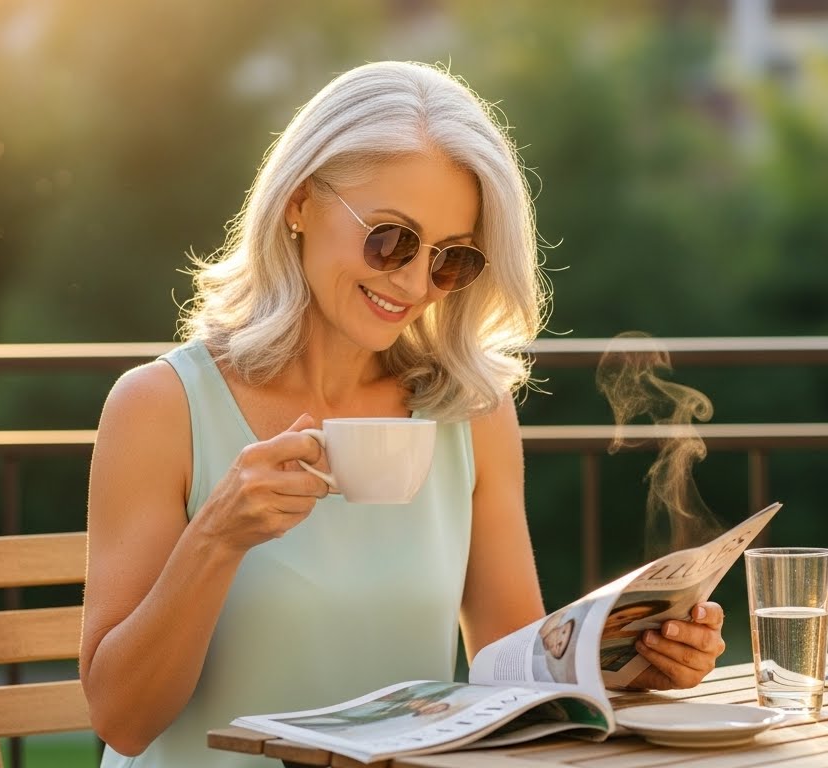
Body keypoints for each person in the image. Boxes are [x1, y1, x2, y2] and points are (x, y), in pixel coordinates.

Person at [78, 61, 728, 768]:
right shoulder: (160, 407)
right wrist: (216, 538)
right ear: (298, 201)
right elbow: (123, 721)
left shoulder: (470, 414)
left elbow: (512, 677)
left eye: (452, 260)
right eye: (390, 239)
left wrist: (633, 667)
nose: (416, 284)